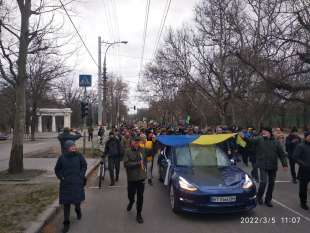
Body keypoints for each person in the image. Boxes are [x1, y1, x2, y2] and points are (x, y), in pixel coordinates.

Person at [243, 127, 288, 207]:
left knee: (271, 184)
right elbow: (250, 141)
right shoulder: (259, 139)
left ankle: (268, 200)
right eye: (262, 131)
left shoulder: (276, 142)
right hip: (262, 165)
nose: (263, 133)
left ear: (269, 132)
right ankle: (259, 197)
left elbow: (282, 154)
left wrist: (284, 164)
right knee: (263, 182)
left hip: (273, 165)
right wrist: (243, 137)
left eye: (265, 131)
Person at [54, 140, 87, 233]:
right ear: (66, 148)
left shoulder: (79, 156)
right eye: (71, 146)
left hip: (77, 183)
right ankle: (66, 223)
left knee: (77, 201)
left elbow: (84, 165)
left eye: (74, 146)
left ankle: (78, 210)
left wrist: (81, 175)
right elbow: (57, 170)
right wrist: (61, 177)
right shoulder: (62, 158)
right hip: (66, 184)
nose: (74, 147)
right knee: (66, 204)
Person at [123, 136, 147, 224]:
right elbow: (126, 164)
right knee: (131, 194)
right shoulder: (127, 151)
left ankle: (139, 214)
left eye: (138, 141)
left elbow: (152, 152)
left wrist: (155, 142)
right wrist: (137, 164)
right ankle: (131, 201)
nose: (137, 143)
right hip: (132, 178)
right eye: (135, 141)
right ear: (131, 142)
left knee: (140, 197)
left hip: (141, 177)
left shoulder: (143, 150)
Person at [293, 131, 310, 210]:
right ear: (306, 137)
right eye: (309, 136)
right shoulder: (300, 146)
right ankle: (303, 202)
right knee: (303, 188)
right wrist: (304, 164)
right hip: (304, 171)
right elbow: (295, 157)